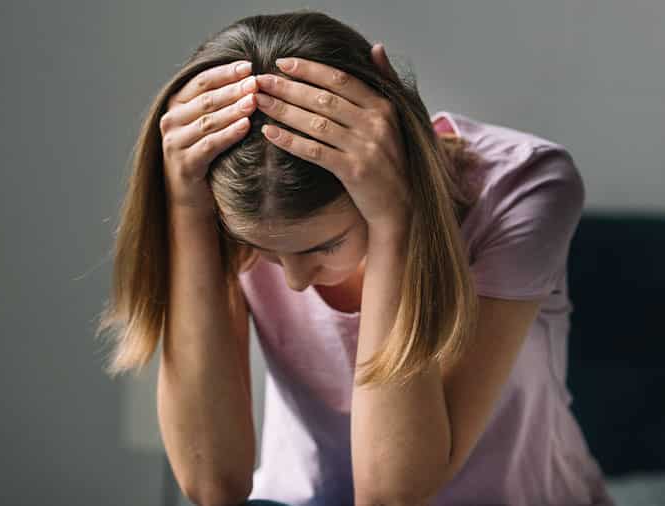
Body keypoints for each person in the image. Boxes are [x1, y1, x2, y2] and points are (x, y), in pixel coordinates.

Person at [96, 9, 615, 506]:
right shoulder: (222, 206)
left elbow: (394, 495)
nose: (295, 281)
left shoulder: (526, 187)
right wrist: (185, 208)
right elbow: (213, 484)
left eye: (323, 246)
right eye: (263, 250)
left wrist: (396, 219)